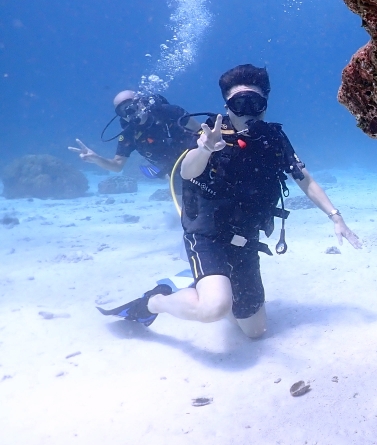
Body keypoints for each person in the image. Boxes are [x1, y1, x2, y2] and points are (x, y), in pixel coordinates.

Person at [99, 65, 361, 338]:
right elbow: (187, 171)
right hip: (207, 234)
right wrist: (205, 148)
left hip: (245, 238)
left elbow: (304, 178)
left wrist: (336, 216)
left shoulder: (274, 138)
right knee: (214, 308)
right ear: (227, 106)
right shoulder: (211, 133)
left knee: (255, 331)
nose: (247, 112)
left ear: (265, 105)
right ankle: (154, 301)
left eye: (254, 104)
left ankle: (210, 282)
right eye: (239, 104)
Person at [69, 90, 200, 180]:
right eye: (122, 111)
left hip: (198, 156)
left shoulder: (168, 112)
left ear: (141, 102)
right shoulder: (129, 134)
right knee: (182, 197)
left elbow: (199, 129)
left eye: (131, 106)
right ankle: (166, 175)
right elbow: (117, 166)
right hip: (173, 169)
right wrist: (97, 159)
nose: (129, 112)